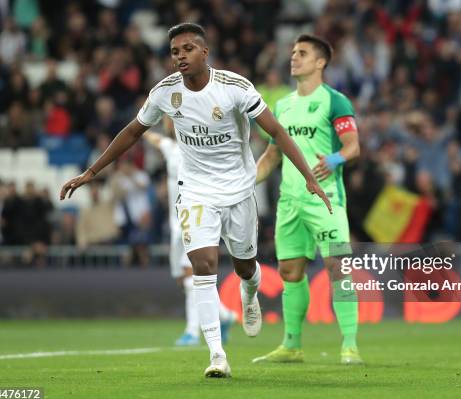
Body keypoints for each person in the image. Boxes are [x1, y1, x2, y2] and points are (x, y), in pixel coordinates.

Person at [60, 23, 331, 378]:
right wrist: (92, 172)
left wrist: (309, 176)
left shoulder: (235, 88)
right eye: (175, 52)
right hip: (196, 190)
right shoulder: (165, 92)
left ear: (204, 52)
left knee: (245, 268)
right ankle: (217, 355)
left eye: (188, 49)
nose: (180, 57)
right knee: (203, 266)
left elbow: (276, 131)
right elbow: (132, 131)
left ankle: (249, 295)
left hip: (237, 188)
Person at [252, 34, 362, 365]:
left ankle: (350, 344)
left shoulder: (335, 101)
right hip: (290, 202)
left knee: (338, 266)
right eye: (293, 53)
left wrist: (335, 160)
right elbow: (272, 155)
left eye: (302, 53)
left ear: (320, 62)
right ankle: (292, 345)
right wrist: (244, 184)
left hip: (326, 200)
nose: (294, 58)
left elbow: (353, 146)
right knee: (289, 271)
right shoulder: (282, 106)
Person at [143, 119, 237, 347]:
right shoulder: (169, 146)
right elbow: (154, 138)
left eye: (172, 120)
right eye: (166, 120)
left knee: (192, 279)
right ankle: (225, 316)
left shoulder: (197, 147)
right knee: (183, 280)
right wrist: (142, 124)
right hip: (176, 222)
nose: (168, 124)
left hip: (194, 216)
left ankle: (193, 332)